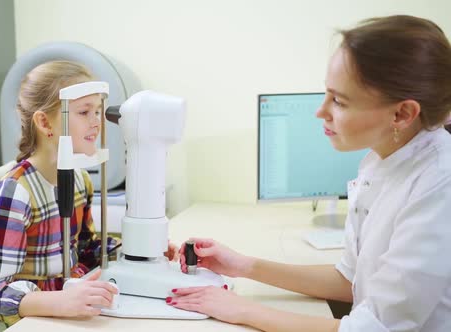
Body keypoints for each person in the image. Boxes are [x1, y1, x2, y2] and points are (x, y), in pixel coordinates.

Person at [172, 15, 451, 332]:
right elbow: (351, 280)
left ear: (402, 114)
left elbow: (371, 328)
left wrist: (243, 310)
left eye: (340, 101)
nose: (321, 111)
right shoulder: (382, 160)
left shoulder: (439, 186)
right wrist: (244, 266)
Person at [0, 61, 178, 331]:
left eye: (98, 112)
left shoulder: (80, 180)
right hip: (27, 320)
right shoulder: (13, 194)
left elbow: (85, 248)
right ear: (44, 122)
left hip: (67, 309)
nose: (96, 123)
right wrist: (58, 302)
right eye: (84, 112)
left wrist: (140, 251)